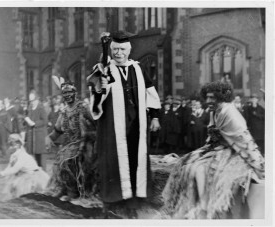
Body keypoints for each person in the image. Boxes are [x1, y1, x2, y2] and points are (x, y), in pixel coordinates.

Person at [162, 81, 264, 219]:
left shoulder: (231, 113)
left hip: (233, 152)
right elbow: (212, 136)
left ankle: (205, 207)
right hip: (216, 148)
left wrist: (259, 166)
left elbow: (245, 141)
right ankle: (194, 204)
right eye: (207, 97)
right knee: (186, 165)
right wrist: (205, 150)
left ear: (221, 97)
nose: (208, 100)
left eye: (212, 97)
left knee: (199, 168)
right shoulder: (214, 110)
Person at [87, 30, 161, 218]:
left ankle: (132, 202)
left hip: (136, 123)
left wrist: (154, 116)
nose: (119, 53)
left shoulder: (137, 68)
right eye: (115, 50)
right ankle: (113, 201)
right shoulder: (104, 68)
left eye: (122, 49)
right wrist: (101, 85)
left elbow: (150, 91)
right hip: (113, 125)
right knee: (114, 161)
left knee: (135, 159)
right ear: (111, 50)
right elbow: (96, 95)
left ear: (128, 50)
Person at [45, 79, 98, 201]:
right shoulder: (63, 112)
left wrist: (92, 137)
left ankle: (76, 192)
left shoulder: (83, 107)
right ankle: (66, 189)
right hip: (70, 144)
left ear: (75, 93)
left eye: (70, 92)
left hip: (85, 143)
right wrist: (49, 139)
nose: (67, 95)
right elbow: (57, 130)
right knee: (61, 160)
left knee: (72, 160)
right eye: (65, 93)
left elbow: (96, 123)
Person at [0, 134, 50, 200]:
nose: (9, 147)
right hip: (24, 174)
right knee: (14, 186)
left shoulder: (22, 155)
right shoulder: (13, 156)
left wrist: (0, 174)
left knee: (24, 192)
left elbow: (14, 170)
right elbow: (9, 169)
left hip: (33, 176)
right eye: (9, 144)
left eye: (12, 144)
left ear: (18, 145)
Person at [24, 90, 48, 171]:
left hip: (39, 136)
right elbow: (28, 119)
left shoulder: (41, 108)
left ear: (37, 99)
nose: (31, 102)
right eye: (30, 101)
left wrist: (34, 123)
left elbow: (45, 121)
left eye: (33, 100)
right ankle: (37, 174)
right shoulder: (30, 107)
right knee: (33, 157)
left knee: (40, 157)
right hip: (32, 136)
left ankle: (43, 176)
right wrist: (27, 120)